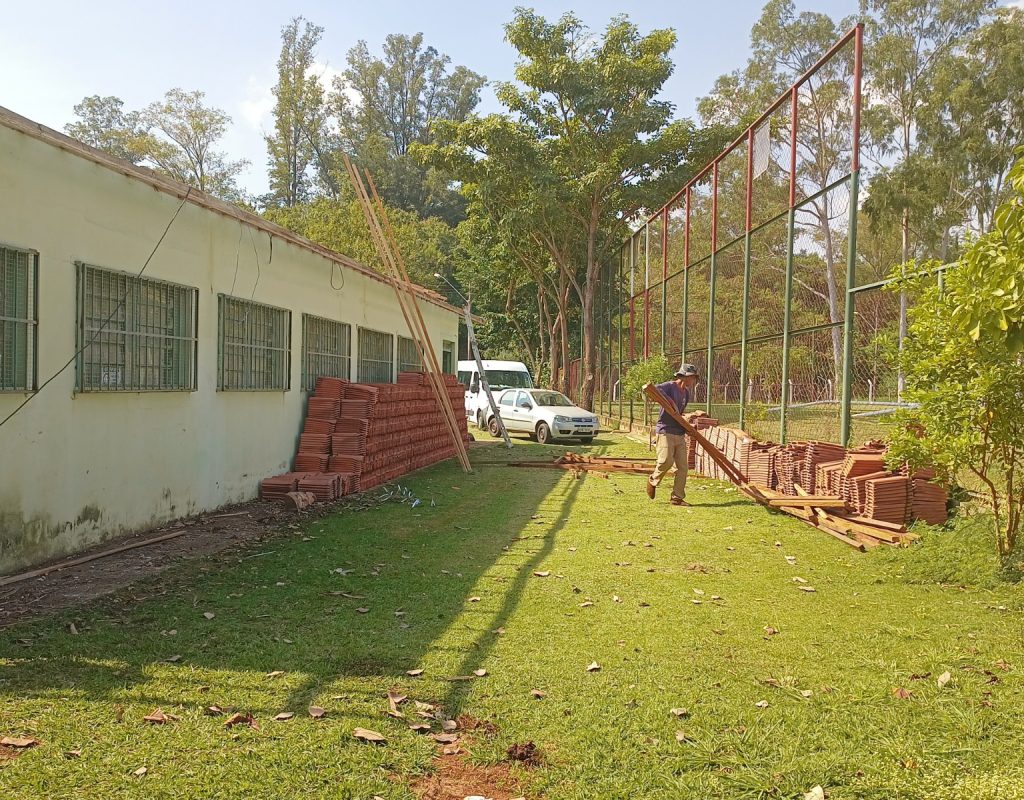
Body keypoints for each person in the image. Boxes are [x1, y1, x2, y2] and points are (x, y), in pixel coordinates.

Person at [646, 364, 700, 506]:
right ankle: (653, 480)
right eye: (691, 377)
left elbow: (679, 413)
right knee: (666, 461)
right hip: (665, 430)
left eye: (694, 378)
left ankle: (677, 497)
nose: (692, 380)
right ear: (683, 376)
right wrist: (669, 400)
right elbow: (653, 389)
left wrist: (686, 426)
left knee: (683, 467)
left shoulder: (686, 393)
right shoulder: (669, 386)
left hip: (679, 433)